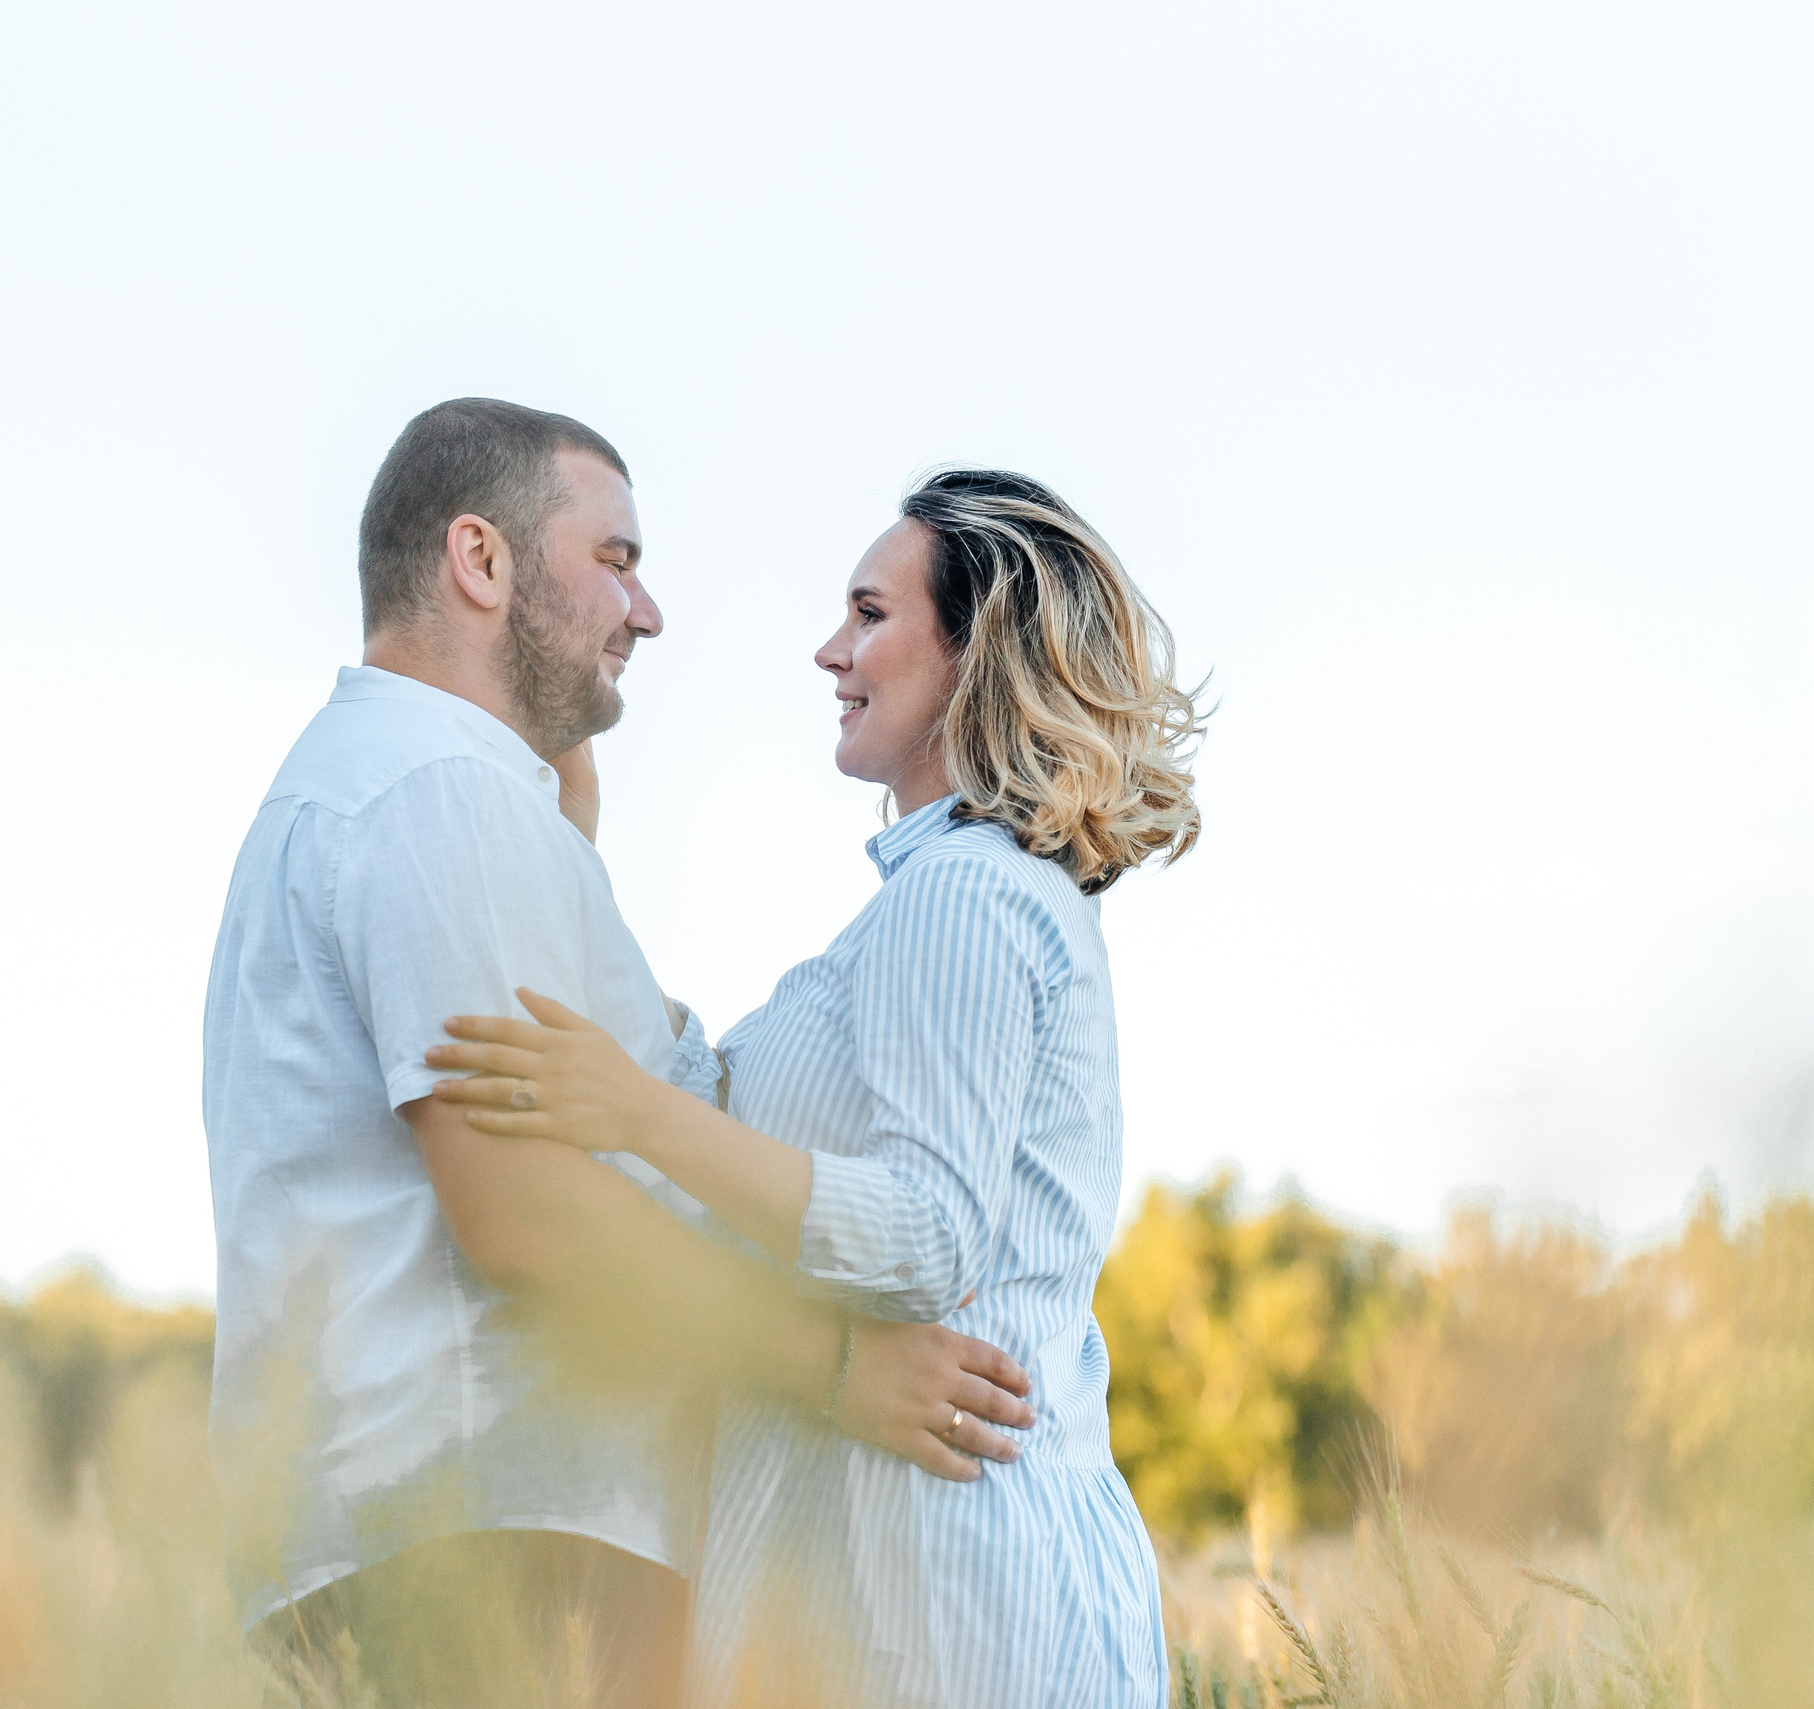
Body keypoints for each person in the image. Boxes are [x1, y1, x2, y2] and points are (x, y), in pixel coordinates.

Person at [202, 405, 1033, 1709]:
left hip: (456, 1531)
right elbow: (525, 1209)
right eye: (617, 557)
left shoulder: (412, 791)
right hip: (498, 1532)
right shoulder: (437, 792)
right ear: (481, 563)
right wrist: (835, 1366)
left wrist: (568, 847)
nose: (646, 612)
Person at [428, 469, 1201, 1708]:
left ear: (973, 655)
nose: (829, 650)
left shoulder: (966, 898)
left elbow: (921, 1236)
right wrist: (569, 834)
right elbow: (709, 1109)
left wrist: (637, 1113)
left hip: (949, 1601)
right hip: (895, 1588)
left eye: (870, 614)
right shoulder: (923, 910)